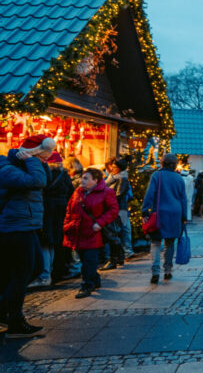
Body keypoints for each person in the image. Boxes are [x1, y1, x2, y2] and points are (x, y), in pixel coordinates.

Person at [0, 135, 55, 337]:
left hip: (26, 225)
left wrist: (37, 160)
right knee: (21, 273)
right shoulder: (6, 168)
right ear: (32, 153)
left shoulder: (25, 165)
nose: (43, 161)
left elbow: (46, 180)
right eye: (43, 156)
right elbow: (38, 181)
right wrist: (32, 157)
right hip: (13, 227)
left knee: (36, 269)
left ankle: (4, 310)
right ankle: (15, 321)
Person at [63, 167, 119, 299]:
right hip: (77, 232)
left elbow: (113, 210)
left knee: (89, 261)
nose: (82, 180)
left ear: (95, 180)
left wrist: (100, 223)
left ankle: (86, 285)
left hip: (93, 233)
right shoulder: (78, 192)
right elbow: (69, 209)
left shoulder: (106, 192)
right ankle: (95, 279)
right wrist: (67, 224)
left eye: (86, 178)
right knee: (83, 259)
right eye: (83, 177)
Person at [29, 152, 74, 288]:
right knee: (53, 243)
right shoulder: (65, 176)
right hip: (60, 213)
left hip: (47, 211)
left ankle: (44, 275)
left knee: (45, 243)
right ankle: (50, 272)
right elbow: (71, 194)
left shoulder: (45, 175)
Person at [142, 154, 187, 284]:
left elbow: (150, 194)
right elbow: (183, 199)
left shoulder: (157, 175)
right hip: (175, 214)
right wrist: (184, 216)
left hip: (159, 214)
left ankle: (155, 272)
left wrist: (145, 210)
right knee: (170, 243)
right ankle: (168, 270)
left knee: (155, 243)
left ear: (162, 163)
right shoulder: (179, 178)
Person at [103, 157, 132, 269]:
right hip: (115, 208)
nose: (112, 169)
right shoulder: (113, 178)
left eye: (115, 167)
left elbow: (118, 195)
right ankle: (119, 257)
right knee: (114, 233)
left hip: (119, 209)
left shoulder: (122, 179)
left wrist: (106, 199)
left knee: (113, 233)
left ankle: (114, 259)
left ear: (120, 169)